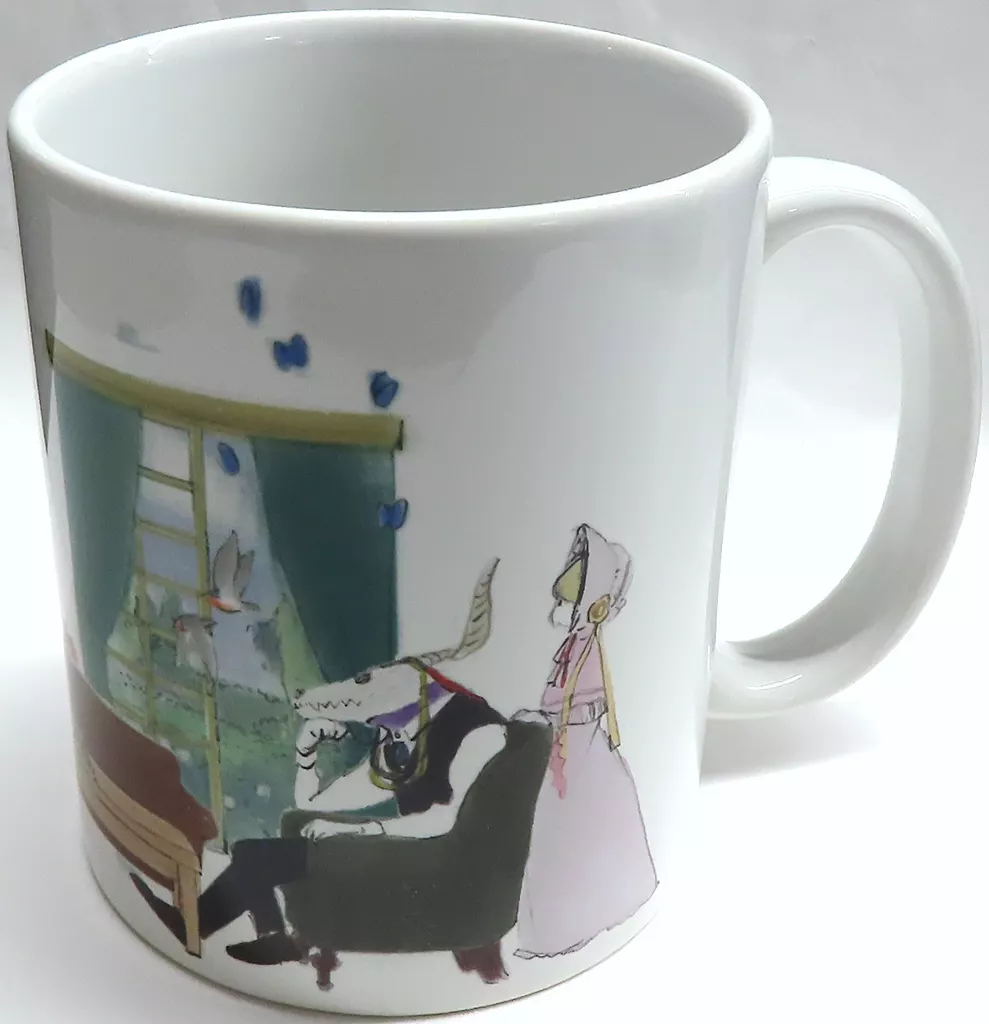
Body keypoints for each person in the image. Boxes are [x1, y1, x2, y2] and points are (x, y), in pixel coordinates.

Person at [514, 524, 657, 959]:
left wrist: (547, 720)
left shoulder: (587, 650)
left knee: (562, 832)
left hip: (575, 755)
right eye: (560, 600)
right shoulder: (572, 646)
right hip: (564, 749)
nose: (559, 609)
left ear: (593, 607)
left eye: (568, 602)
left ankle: (564, 930)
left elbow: (587, 707)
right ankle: (557, 928)